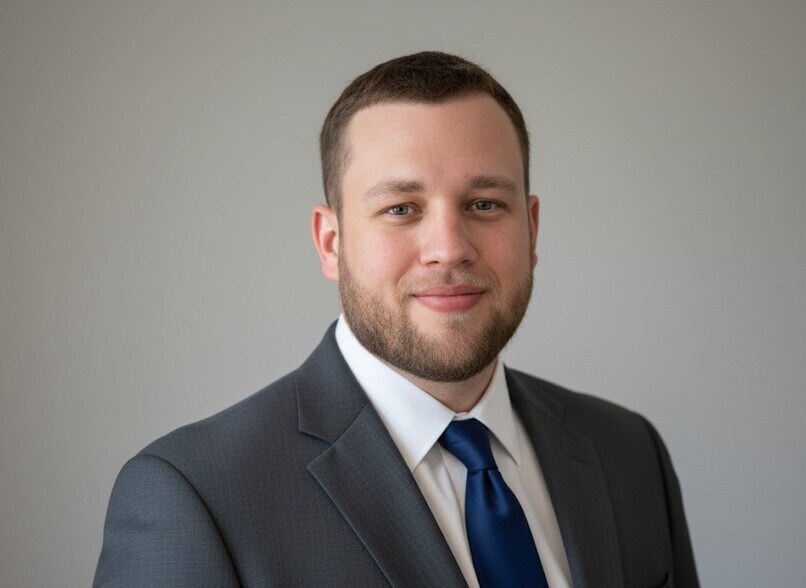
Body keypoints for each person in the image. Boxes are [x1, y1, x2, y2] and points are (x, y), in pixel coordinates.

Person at [94, 51, 699, 588]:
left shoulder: (628, 452)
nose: (449, 248)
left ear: (532, 229)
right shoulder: (196, 495)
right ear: (331, 243)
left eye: (484, 204)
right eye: (402, 208)